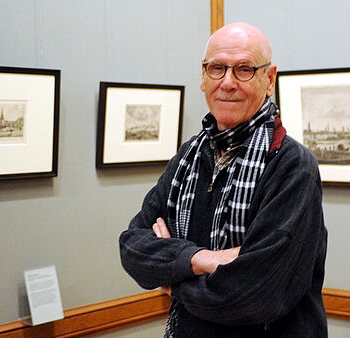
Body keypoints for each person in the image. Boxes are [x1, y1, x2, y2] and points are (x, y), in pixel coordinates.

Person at [119, 22, 328, 337]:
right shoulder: (189, 157)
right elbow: (133, 248)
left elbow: (253, 296)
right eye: (217, 68)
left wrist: (172, 277)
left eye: (244, 69)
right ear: (203, 77)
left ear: (269, 79)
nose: (227, 82)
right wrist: (200, 259)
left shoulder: (292, 165)